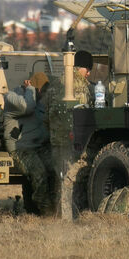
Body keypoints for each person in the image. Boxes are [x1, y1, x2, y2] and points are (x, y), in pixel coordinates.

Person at [43, 49, 94, 191]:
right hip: (71, 139)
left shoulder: (56, 83)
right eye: (88, 69)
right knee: (71, 177)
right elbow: (82, 113)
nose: (88, 73)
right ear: (79, 67)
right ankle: (68, 210)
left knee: (59, 174)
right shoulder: (79, 85)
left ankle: (55, 211)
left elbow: (46, 114)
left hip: (56, 138)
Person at [9, 72, 51, 213]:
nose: (43, 94)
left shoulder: (38, 102)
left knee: (52, 169)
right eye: (42, 90)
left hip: (37, 147)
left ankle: (33, 207)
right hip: (21, 148)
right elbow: (28, 107)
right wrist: (31, 89)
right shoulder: (14, 97)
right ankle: (45, 209)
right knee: (39, 173)